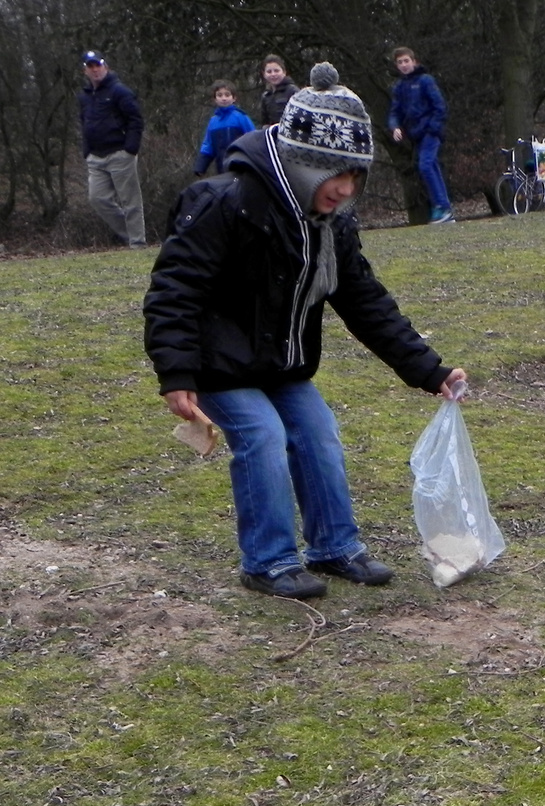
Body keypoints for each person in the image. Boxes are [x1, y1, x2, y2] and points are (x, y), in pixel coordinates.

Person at [143, 63, 468, 600]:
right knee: (262, 436)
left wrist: (426, 369)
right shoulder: (224, 203)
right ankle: (268, 561)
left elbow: (364, 300)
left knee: (317, 432)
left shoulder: (331, 224)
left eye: (355, 177)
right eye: (334, 174)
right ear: (302, 164)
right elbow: (174, 290)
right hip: (217, 364)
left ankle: (334, 547)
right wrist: (175, 371)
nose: (345, 189)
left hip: (281, 364)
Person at [78, 50, 146, 248]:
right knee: (97, 199)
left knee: (130, 201)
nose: (95, 70)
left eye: (98, 65)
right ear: (85, 71)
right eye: (91, 67)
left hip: (120, 153)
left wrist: (130, 149)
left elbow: (135, 120)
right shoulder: (84, 96)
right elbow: (84, 122)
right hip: (95, 157)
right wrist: (87, 151)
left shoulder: (120, 91)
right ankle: (130, 234)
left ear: (105, 67)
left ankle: (138, 244)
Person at [387, 47, 454, 224]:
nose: (403, 65)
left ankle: (441, 206)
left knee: (425, 165)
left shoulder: (425, 80)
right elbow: (395, 112)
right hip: (416, 134)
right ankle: (445, 207)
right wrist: (395, 127)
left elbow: (440, 106)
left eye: (406, 61)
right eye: (400, 62)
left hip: (430, 132)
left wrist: (433, 127)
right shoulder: (399, 87)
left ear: (414, 62)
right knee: (430, 165)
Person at [194, 80, 256, 176]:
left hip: (241, 165)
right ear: (215, 99)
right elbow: (208, 145)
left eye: (227, 95)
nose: (224, 98)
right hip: (221, 166)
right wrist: (201, 166)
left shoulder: (241, 117)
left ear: (234, 98)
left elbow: (253, 139)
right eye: (220, 95)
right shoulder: (213, 122)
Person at [258, 55, 299, 127]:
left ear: (284, 72)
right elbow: (265, 122)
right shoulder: (266, 96)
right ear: (264, 74)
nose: (273, 74)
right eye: (269, 72)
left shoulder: (293, 91)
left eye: (276, 71)